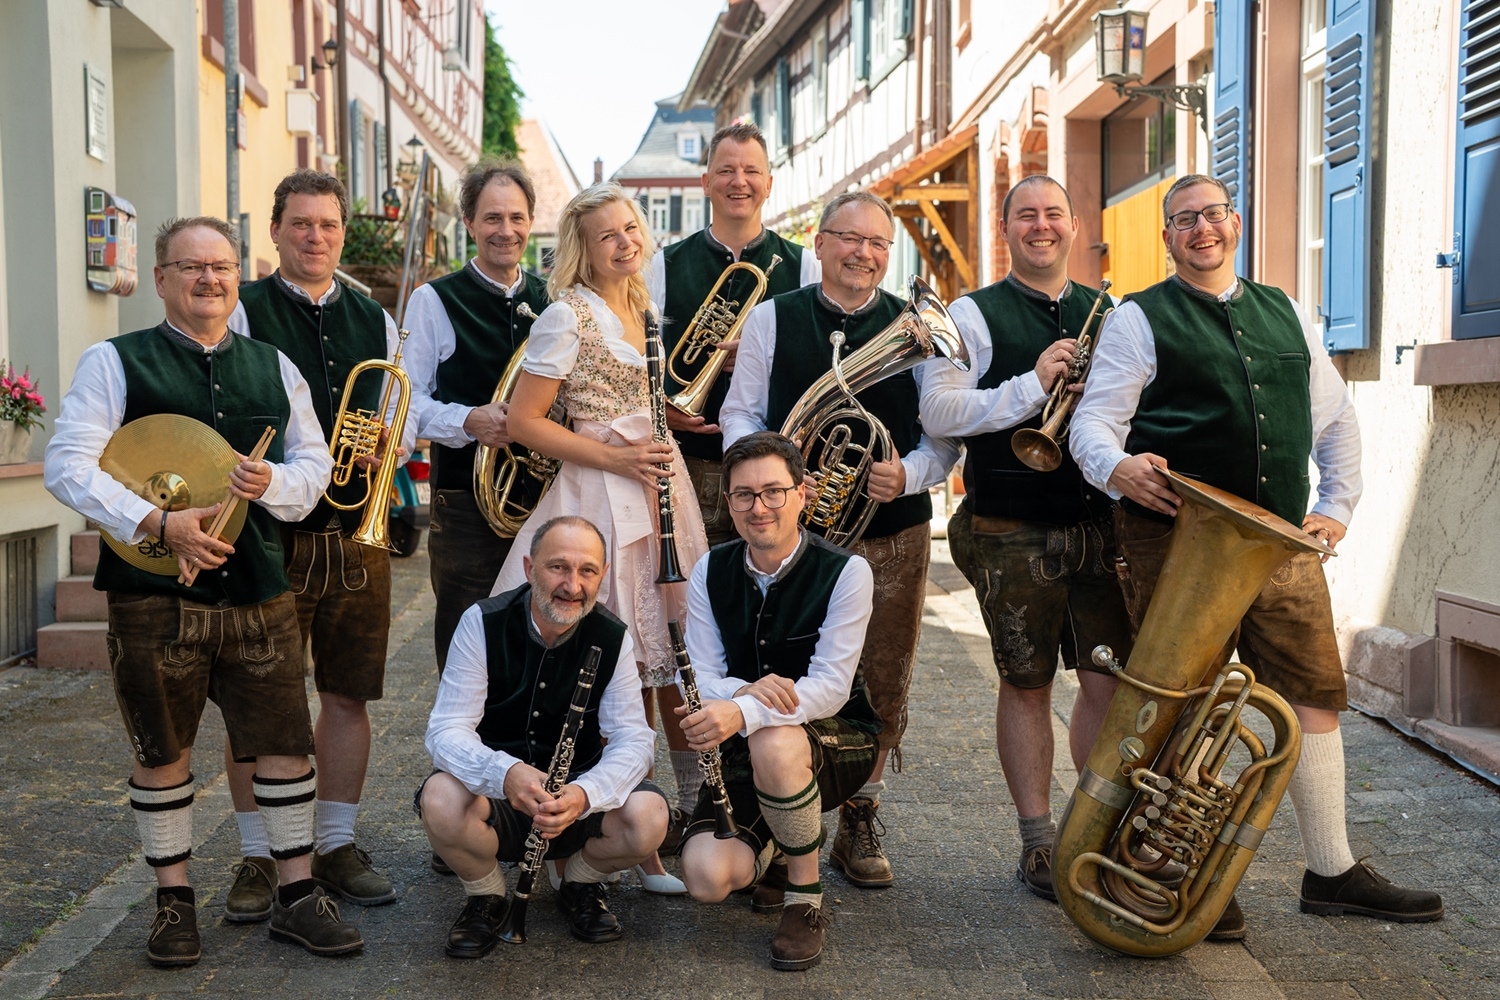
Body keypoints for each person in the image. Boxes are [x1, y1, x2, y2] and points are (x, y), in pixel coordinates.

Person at [1069, 173, 1444, 937]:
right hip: (1176, 540)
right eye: (1184, 220)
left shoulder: (1288, 311)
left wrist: (1336, 507)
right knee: (1184, 702)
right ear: (1167, 237)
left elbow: (1336, 420)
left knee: (1311, 696)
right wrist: (1119, 468)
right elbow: (1091, 427)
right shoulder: (1137, 317)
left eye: (1212, 214)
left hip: (1279, 540)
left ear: (1235, 223)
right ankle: (1170, 870)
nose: (1201, 229)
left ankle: (1331, 871)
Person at [43, 217, 361, 965]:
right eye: (191, 266)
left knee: (284, 745)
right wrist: (158, 522)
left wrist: (272, 479)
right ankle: (173, 903)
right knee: (163, 750)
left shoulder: (274, 365)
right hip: (153, 598)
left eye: (221, 266)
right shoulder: (113, 361)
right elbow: (67, 465)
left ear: (236, 278)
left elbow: (314, 467)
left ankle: (296, 898)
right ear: (161, 279)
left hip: (259, 590)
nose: (209, 279)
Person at [721, 191, 959, 892]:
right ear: (819, 244)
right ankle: (777, 816)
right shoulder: (772, 318)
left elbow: (943, 440)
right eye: (849, 238)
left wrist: (908, 472)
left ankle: (859, 814)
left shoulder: (916, 328)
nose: (863, 253)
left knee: (883, 676)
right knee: (781, 668)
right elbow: (740, 414)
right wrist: (772, 472)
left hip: (889, 532)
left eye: (878, 243)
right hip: (787, 536)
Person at [490, 182, 710, 893]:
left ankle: (681, 820)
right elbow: (524, 421)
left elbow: (630, 396)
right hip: (600, 493)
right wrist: (616, 458)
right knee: (619, 666)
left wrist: (668, 414)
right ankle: (617, 845)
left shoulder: (641, 305)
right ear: (582, 250)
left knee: (672, 661)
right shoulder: (567, 314)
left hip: (657, 483)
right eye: (607, 235)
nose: (625, 242)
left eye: (631, 228)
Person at [918, 176, 1132, 902]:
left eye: (1054, 214)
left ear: (1074, 225)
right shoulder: (970, 315)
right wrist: (1032, 385)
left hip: (1099, 524)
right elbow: (940, 411)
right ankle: (1038, 839)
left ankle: (1093, 830)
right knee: (1026, 681)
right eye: (1026, 216)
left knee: (1106, 681)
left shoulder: (1114, 314)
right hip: (1010, 526)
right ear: (1004, 227)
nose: (1042, 226)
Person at [220, 169, 407, 920]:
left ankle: (334, 843)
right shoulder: (242, 309)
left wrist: (386, 447)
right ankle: (259, 855)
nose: (315, 237)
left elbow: (399, 414)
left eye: (328, 224)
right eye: (300, 223)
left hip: (356, 535)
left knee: (348, 693)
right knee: (258, 700)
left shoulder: (375, 318)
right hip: (268, 536)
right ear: (275, 231)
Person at [645, 121, 820, 836]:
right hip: (686, 464)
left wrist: (763, 344)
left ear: (769, 182)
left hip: (767, 475)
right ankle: (698, 793)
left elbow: (815, 361)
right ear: (705, 181)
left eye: (751, 170)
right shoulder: (665, 263)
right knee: (685, 629)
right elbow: (639, 353)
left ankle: (768, 791)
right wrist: (661, 404)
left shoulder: (801, 265)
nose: (738, 181)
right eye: (726, 169)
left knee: (769, 626)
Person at [418, 516, 667, 958]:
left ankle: (580, 884)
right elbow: (445, 730)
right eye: (558, 567)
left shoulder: (613, 637)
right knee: (439, 798)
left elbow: (633, 739)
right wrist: (505, 772)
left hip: (574, 803)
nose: (572, 585)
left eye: (587, 571)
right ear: (530, 568)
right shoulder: (482, 622)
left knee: (649, 815)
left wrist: (585, 794)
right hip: (497, 799)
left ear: (602, 576)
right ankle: (487, 895)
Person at [677, 432, 878, 971]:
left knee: (774, 739)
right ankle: (784, 841)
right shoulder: (710, 568)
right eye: (743, 495)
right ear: (729, 502)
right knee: (706, 879)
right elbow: (697, 675)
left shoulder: (847, 571)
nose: (758, 507)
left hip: (837, 737)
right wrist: (742, 691)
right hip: (745, 745)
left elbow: (830, 686)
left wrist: (744, 711)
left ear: (802, 494)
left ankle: (804, 898)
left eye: (773, 492)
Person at [403, 159, 551, 673]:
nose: (505, 230)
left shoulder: (554, 299)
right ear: (469, 223)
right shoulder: (434, 300)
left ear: (531, 222)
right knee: (468, 646)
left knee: (543, 643)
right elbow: (405, 402)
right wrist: (468, 420)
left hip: (548, 499)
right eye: (492, 218)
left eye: (516, 217)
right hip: (467, 505)